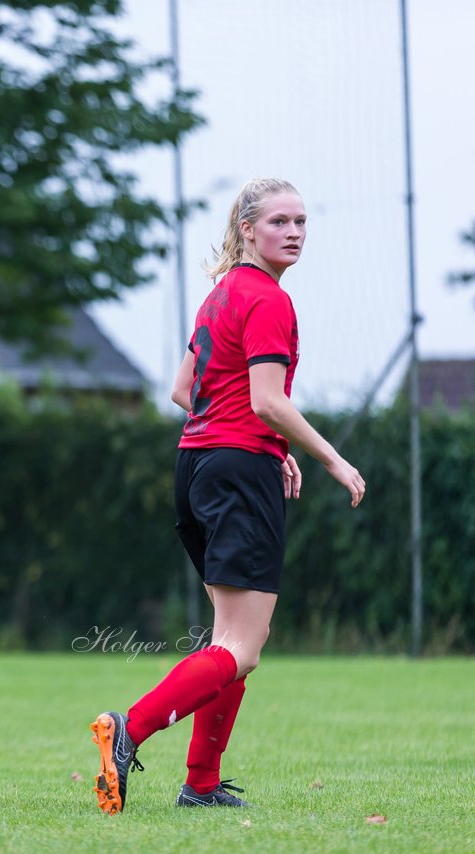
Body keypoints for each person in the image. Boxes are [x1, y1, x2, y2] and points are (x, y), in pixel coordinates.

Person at [90, 177, 366, 815]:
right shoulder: (267, 299)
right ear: (247, 229)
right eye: (278, 221)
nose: (294, 232)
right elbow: (267, 400)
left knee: (233, 647)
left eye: (301, 221)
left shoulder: (220, 294)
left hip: (198, 467)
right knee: (239, 648)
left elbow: (185, 391)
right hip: (238, 476)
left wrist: (272, 445)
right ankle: (128, 728)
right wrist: (329, 456)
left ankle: (203, 784)